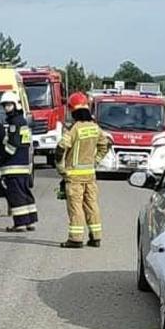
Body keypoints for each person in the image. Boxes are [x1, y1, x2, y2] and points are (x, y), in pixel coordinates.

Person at [55, 92, 110, 248]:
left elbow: (61, 147)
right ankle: (96, 237)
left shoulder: (75, 129)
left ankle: (76, 238)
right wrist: (96, 161)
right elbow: (105, 145)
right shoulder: (95, 128)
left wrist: (60, 167)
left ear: (73, 111)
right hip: (90, 175)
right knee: (92, 205)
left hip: (73, 176)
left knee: (76, 207)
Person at [0, 91, 38, 232]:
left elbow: (12, 145)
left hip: (13, 166)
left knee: (16, 195)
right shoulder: (22, 121)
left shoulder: (15, 123)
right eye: (5, 106)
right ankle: (30, 221)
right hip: (23, 165)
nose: (6, 108)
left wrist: (1, 157)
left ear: (16, 105)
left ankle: (20, 223)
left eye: (8, 105)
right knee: (25, 193)